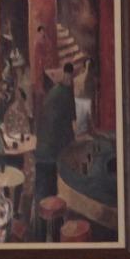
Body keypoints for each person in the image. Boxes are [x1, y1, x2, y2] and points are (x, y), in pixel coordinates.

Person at [34, 62, 76, 208]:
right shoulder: (65, 94)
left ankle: (39, 224)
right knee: (50, 194)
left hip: (42, 149)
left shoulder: (53, 92)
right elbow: (69, 125)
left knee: (41, 194)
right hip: (51, 152)